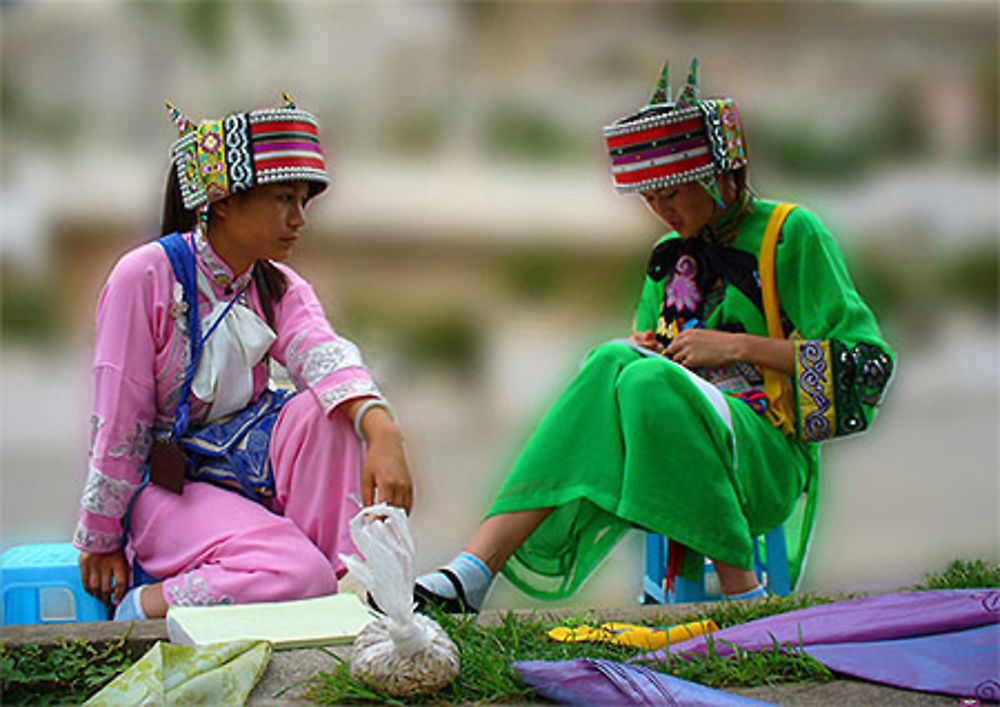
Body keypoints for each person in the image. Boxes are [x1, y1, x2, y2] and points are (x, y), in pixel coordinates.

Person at [414, 59, 895, 611]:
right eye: (648, 199)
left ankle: (745, 595)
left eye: (671, 193)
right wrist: (647, 349)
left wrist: (737, 347)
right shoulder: (669, 259)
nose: (661, 211)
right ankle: (474, 569)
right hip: (668, 439)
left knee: (644, 383)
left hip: (763, 451)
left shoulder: (793, 234)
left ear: (718, 174)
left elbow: (864, 364)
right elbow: (649, 358)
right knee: (613, 364)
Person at [73, 95, 413, 620]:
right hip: (171, 490)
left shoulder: (277, 286)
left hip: (248, 471)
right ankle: (149, 606)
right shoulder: (144, 277)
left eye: (303, 202)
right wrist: (100, 537)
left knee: (328, 414)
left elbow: (324, 355)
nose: (298, 219)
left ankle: (329, 587)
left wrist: (381, 427)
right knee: (298, 573)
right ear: (222, 202)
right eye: (283, 199)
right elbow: (121, 421)